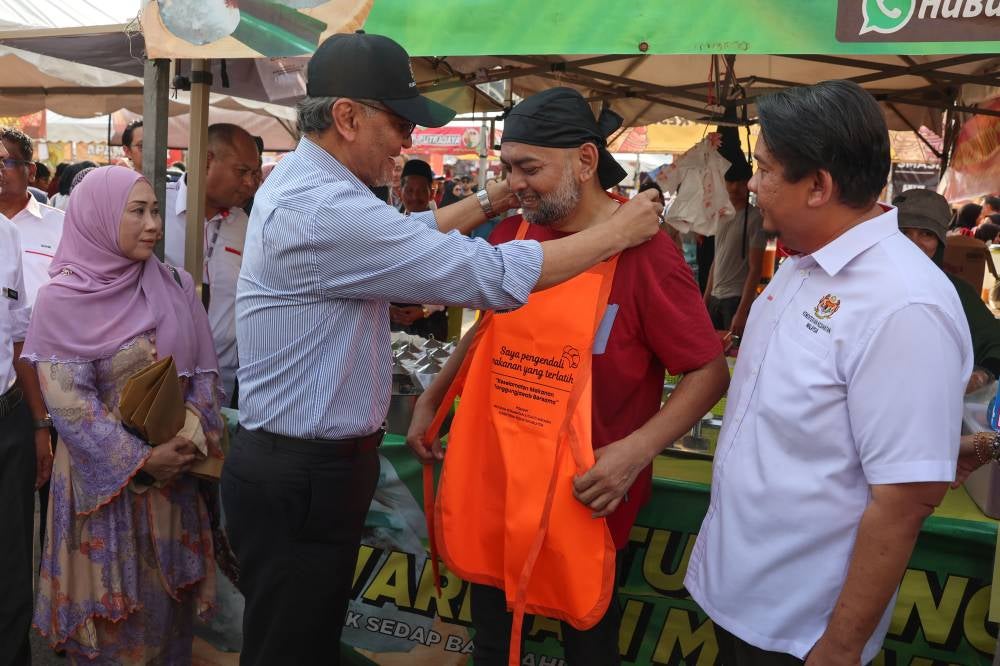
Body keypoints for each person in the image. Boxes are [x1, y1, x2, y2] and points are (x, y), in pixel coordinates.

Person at [224, 32, 662, 666]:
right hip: (302, 472)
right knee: (289, 647)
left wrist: (494, 197)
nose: (409, 142)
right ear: (347, 117)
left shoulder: (317, 185)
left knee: (303, 638)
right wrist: (616, 232)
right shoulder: (321, 206)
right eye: (399, 123)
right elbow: (484, 274)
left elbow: (403, 236)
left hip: (307, 466)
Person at [406, 86, 729, 665]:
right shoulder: (513, 236)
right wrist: (436, 394)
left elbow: (708, 372)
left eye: (529, 168)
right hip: (503, 487)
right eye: (507, 169)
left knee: (588, 650)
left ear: (585, 161)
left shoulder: (647, 254)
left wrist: (634, 453)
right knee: (490, 645)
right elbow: (487, 330)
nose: (515, 185)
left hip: (589, 500)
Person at [684, 80, 973, 664]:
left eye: (765, 170)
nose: (754, 187)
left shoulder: (904, 306)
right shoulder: (804, 261)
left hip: (799, 628)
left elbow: (905, 499)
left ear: (819, 185)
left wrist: (839, 646)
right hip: (737, 590)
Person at [24, 166, 228, 664]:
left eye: (155, 210)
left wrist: (188, 440)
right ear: (97, 218)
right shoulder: (61, 299)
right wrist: (143, 460)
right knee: (117, 635)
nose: (153, 223)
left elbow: (204, 376)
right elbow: (71, 403)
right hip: (104, 493)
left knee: (169, 629)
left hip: (173, 484)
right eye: (136, 211)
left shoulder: (177, 284)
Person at [0, 138, 54, 666]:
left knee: (15, 553)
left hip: (17, 408)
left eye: (4, 161)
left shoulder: (9, 234)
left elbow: (18, 336)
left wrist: (38, 421)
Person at [164, 123, 257, 404]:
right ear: (206, 161)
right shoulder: (157, 207)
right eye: (242, 172)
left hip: (225, 383)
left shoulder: (245, 224)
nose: (250, 184)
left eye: (255, 174)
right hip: (162, 379)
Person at [895, 188, 1000, 394]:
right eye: (904, 232)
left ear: (940, 243)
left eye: (926, 234)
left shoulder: (956, 292)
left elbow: (994, 342)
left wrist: (981, 375)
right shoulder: (865, 283)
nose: (914, 244)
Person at [702, 128, 766, 335]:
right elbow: (716, 260)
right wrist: (705, 298)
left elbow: (755, 269)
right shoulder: (721, 214)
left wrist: (742, 311)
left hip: (735, 300)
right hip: (716, 298)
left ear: (748, 184)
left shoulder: (755, 218)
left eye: (741, 182)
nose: (735, 187)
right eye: (731, 181)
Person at [0, 128, 66, 306]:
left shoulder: (63, 226)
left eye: (5, 162)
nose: (0, 170)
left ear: (31, 171)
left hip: (45, 331)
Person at [391, 158, 448, 339]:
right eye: (410, 190)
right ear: (400, 192)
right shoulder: (389, 227)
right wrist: (388, 309)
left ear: (431, 193)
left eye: (421, 191)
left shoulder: (444, 229)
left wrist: (424, 310)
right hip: (392, 322)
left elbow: (451, 279)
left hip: (429, 325)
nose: (415, 197)